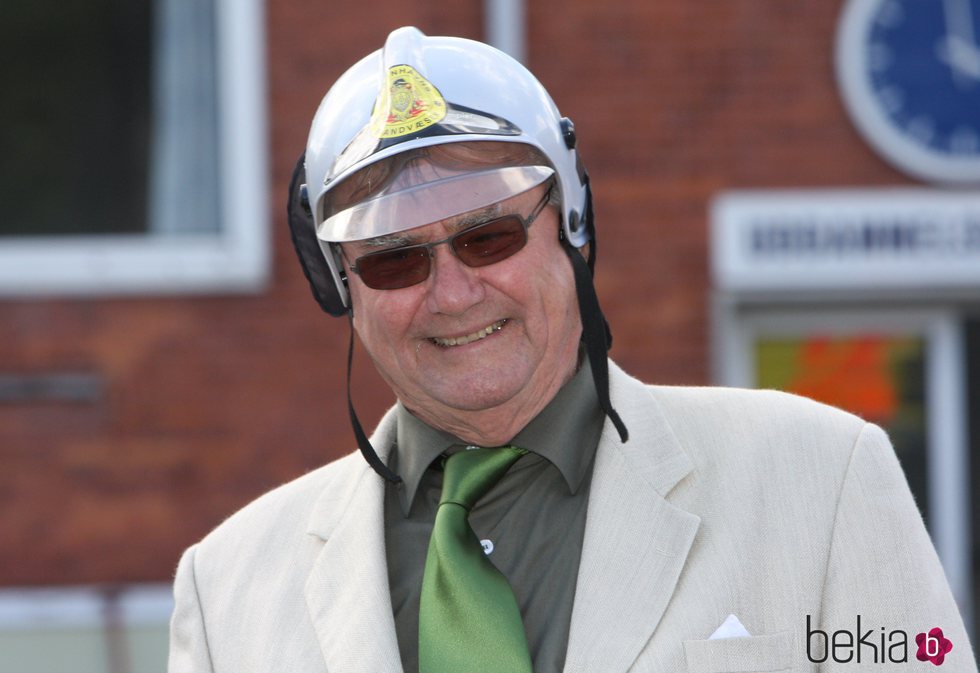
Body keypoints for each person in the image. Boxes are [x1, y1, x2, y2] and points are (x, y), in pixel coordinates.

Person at [168, 27, 976, 673]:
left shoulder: (823, 480)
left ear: (573, 230)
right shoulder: (227, 588)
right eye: (393, 259)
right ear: (341, 286)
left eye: (489, 236)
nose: (451, 294)